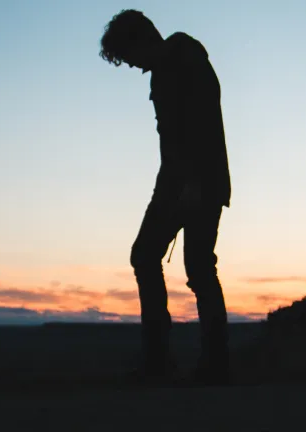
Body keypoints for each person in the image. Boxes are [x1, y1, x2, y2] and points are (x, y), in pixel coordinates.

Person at [99, 9, 232, 386]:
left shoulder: (185, 58)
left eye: (128, 56)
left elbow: (203, 123)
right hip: (175, 183)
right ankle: (164, 362)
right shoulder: (163, 71)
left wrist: (194, 184)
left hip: (198, 181)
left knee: (197, 266)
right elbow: (173, 139)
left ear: (141, 39)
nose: (131, 65)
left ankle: (210, 365)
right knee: (149, 256)